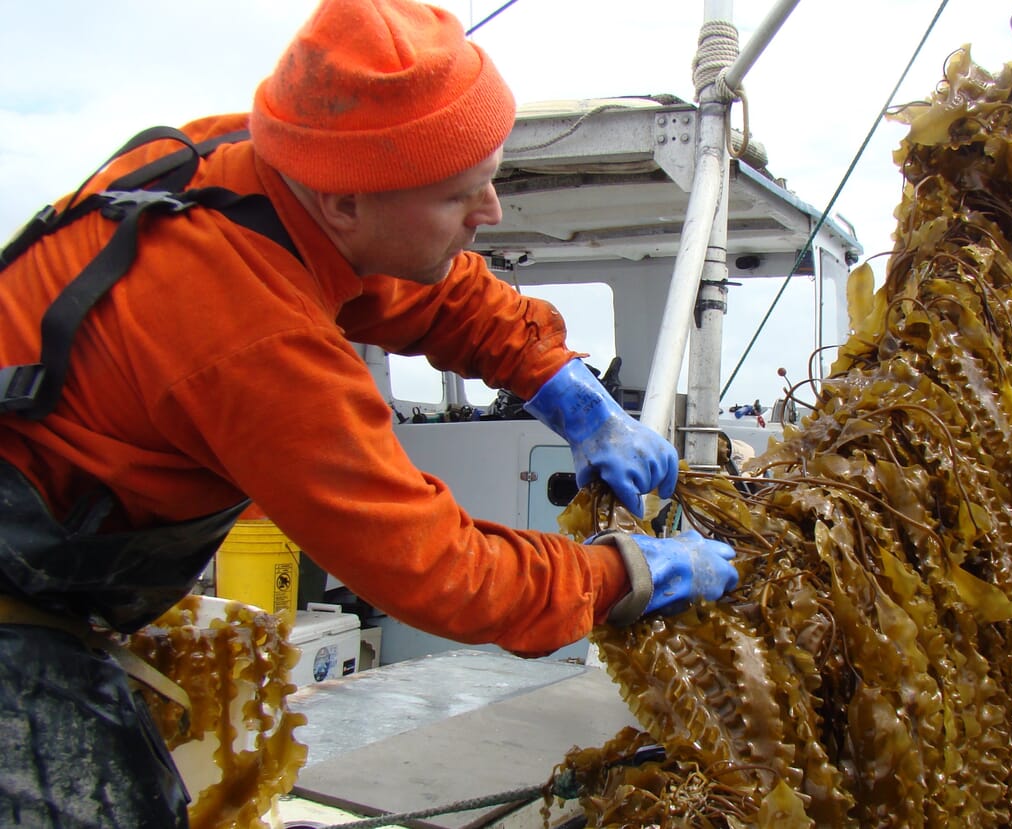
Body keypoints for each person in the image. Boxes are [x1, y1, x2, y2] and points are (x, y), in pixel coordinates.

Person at [0, 0, 739, 825]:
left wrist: (563, 383)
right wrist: (629, 574)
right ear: (346, 201)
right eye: (461, 194)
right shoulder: (248, 333)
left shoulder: (279, 170)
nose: (490, 211)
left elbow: (430, 284)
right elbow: (437, 567)